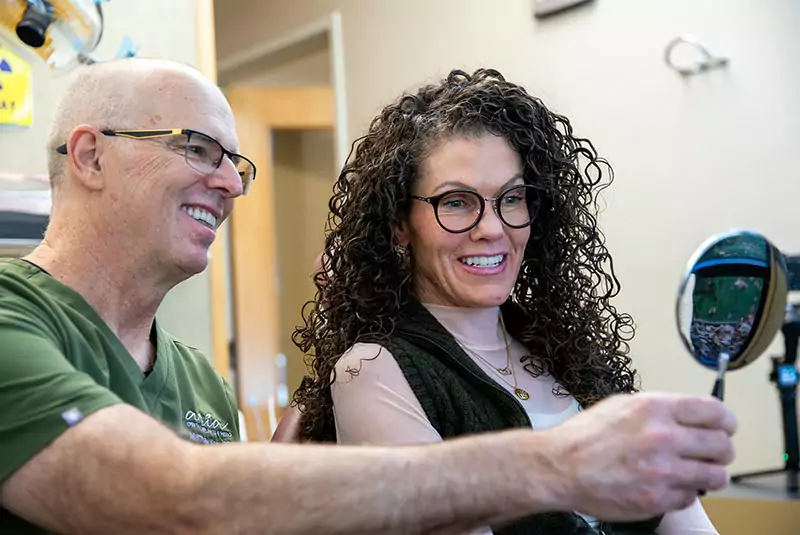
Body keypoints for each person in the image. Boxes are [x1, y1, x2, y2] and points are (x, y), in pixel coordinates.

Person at [0, 58, 736, 535]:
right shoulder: (10, 320)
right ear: (91, 154)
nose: (229, 183)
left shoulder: (197, 381)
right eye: (196, 147)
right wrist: (562, 464)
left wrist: (289, 459)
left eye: (235, 161)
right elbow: (178, 499)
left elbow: (227, 507)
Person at [291, 69, 722, 534]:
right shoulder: (373, 370)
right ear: (400, 224)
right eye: (456, 202)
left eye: (511, 199)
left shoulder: (567, 355)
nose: (492, 228)